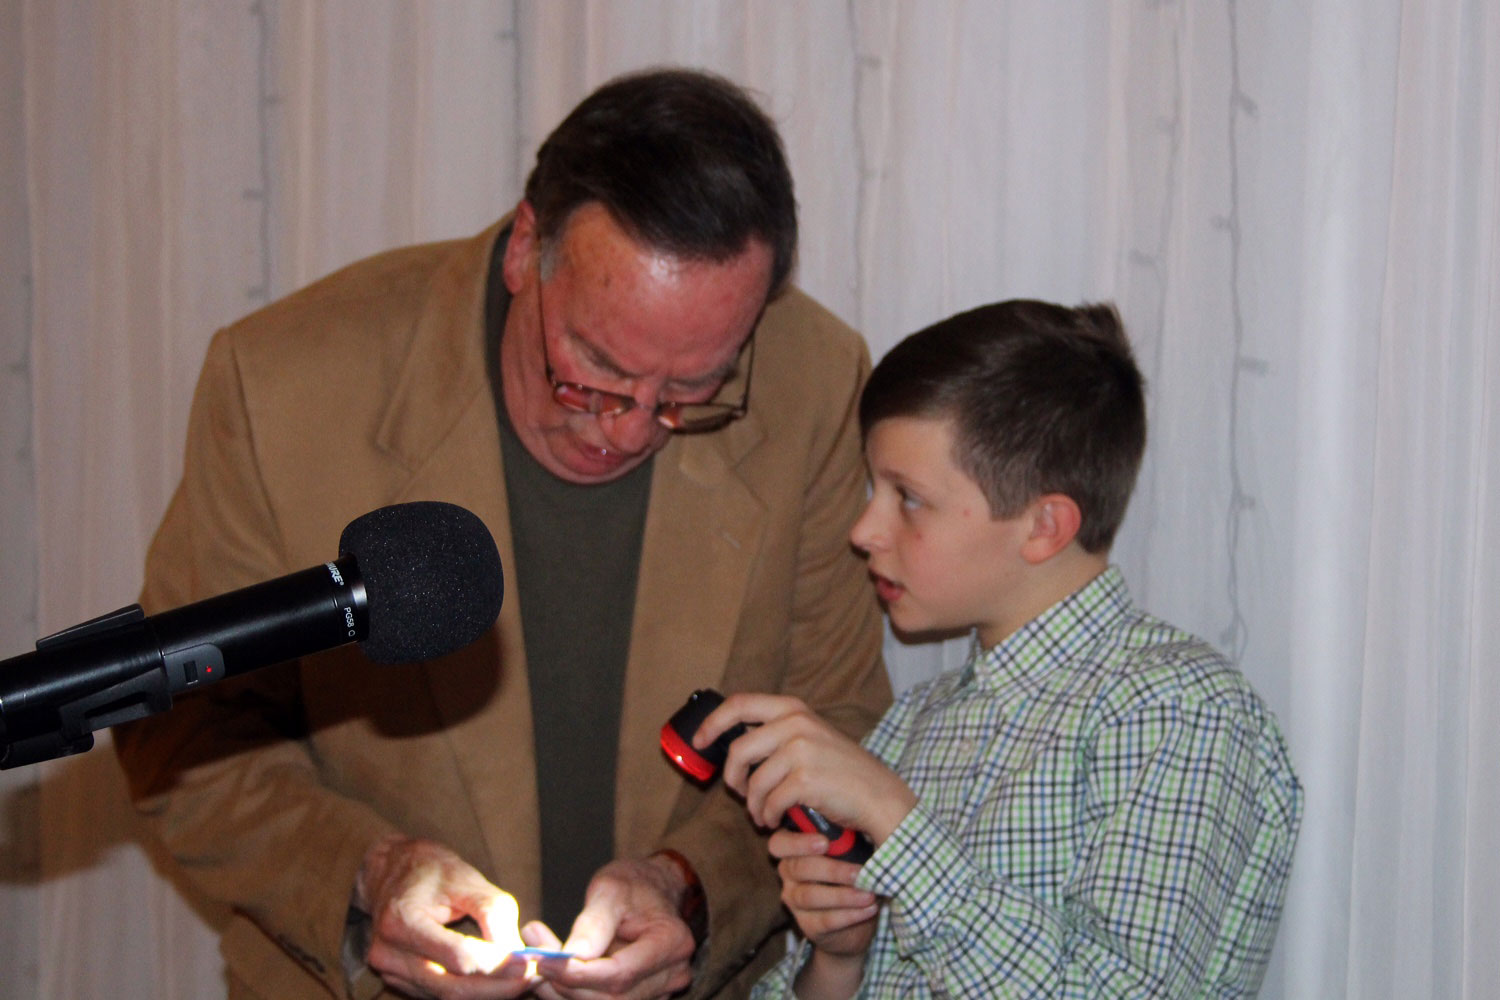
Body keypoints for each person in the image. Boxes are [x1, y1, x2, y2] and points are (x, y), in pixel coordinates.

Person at [113, 68, 891, 1000]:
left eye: (694, 392)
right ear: (528, 248)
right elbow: (182, 737)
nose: (629, 429)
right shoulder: (283, 386)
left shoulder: (813, 379)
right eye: (593, 370)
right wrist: (370, 873)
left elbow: (840, 729)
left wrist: (688, 890)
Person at [696, 300, 1304, 998]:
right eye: (874, 490)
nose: (864, 529)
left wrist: (898, 824)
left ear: (1045, 526)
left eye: (908, 497)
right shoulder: (914, 723)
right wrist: (837, 960)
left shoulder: (1178, 711)